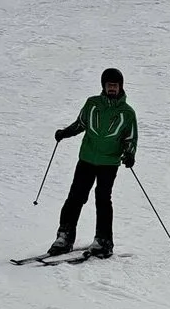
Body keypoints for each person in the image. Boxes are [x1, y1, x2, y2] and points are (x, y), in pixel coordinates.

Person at [47, 68, 137, 257]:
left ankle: (103, 241)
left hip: (109, 163)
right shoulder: (92, 104)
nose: (112, 88)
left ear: (121, 86)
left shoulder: (127, 113)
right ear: (103, 86)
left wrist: (129, 155)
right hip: (87, 159)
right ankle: (64, 237)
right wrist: (65, 133)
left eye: (115, 85)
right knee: (75, 197)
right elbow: (81, 123)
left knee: (103, 199)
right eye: (109, 85)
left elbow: (130, 139)